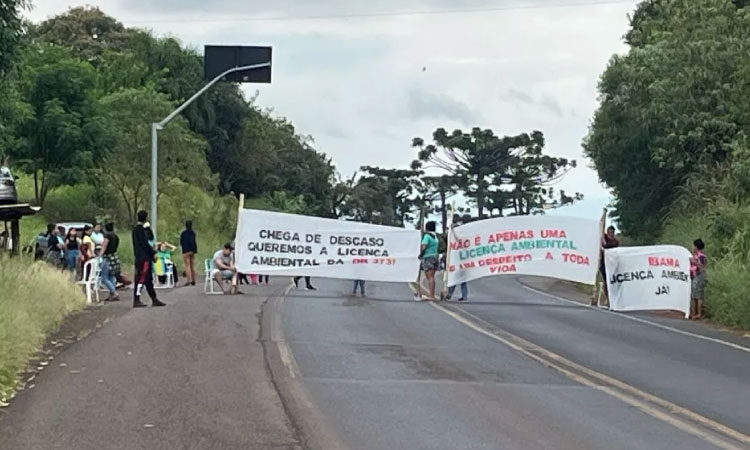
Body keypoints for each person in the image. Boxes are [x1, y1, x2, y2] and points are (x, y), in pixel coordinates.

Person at [132, 210, 166, 308]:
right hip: (144, 258)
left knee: (148, 279)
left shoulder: (135, 230)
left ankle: (154, 298)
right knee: (141, 278)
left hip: (139, 257)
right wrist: (153, 254)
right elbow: (145, 244)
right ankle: (137, 299)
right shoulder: (140, 230)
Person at [595, 225, 620, 306]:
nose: (610, 234)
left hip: (611, 263)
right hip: (603, 262)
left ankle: (610, 298)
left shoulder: (615, 242)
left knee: (610, 281)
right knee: (606, 280)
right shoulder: (604, 237)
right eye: (609, 232)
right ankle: (606, 298)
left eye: (612, 232)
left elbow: (614, 251)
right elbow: (601, 234)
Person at [100, 222, 121, 301]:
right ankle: (111, 294)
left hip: (107, 257)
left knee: (104, 278)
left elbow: (104, 246)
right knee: (111, 276)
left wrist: (99, 255)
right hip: (114, 256)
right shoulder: (115, 236)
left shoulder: (107, 236)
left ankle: (114, 292)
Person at [419, 221, 439, 300]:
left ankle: (431, 295)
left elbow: (424, 246)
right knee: (431, 276)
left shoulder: (427, 236)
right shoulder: (435, 237)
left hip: (428, 257)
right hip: (435, 256)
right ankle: (432, 294)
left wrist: (421, 254)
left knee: (430, 276)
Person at [690, 238, 708, 320]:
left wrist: (694, 262)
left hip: (700, 276)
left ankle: (699, 314)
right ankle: (693, 313)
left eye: (694, 246)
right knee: (694, 295)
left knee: (698, 295)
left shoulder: (701, 256)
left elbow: (702, 267)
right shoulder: (695, 256)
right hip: (695, 276)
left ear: (696, 247)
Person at [180, 220, 197, 287]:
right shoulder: (193, 233)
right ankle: (193, 279)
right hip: (193, 250)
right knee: (192, 265)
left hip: (186, 250)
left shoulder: (183, 233)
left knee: (187, 265)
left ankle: (189, 280)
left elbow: (181, 242)